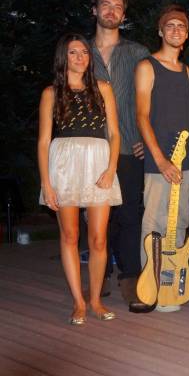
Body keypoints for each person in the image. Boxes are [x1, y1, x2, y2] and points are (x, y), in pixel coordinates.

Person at [38, 33, 121, 325]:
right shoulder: (51, 93)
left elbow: (114, 133)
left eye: (84, 52)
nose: (80, 58)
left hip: (98, 162)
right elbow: (44, 141)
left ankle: (95, 299)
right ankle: (78, 302)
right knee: (70, 236)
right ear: (64, 58)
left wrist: (111, 168)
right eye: (73, 53)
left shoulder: (103, 88)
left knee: (98, 239)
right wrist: (46, 183)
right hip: (64, 164)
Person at [135, 4, 189, 312]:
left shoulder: (186, 70)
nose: (176, 30)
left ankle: (176, 280)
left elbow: (186, 115)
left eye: (182, 26)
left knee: (178, 221)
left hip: (186, 155)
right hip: (160, 158)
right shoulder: (147, 66)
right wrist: (161, 159)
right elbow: (142, 115)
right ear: (160, 31)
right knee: (154, 221)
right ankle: (151, 286)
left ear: (187, 34)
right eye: (171, 26)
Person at [90, 0, 149, 305]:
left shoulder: (138, 53)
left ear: (123, 16)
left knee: (129, 214)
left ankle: (130, 278)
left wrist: (144, 137)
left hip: (128, 145)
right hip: (91, 148)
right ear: (95, 10)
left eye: (117, 7)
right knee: (98, 217)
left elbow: (149, 100)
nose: (111, 11)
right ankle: (99, 277)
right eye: (105, 5)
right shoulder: (81, 52)